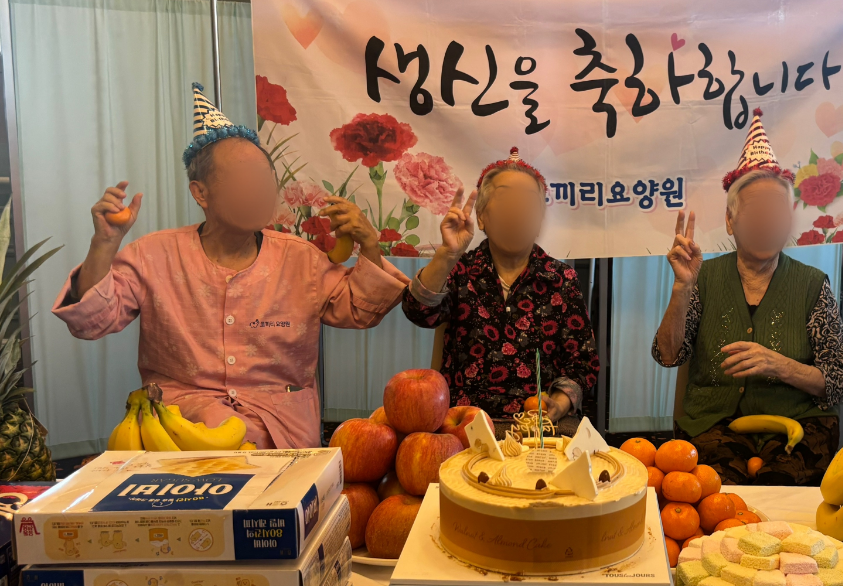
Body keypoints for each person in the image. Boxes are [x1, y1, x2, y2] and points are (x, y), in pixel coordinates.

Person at [53, 83, 410, 448]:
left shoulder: (301, 259)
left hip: (283, 436)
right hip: (181, 434)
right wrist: (104, 244)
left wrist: (369, 245)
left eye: (263, 179)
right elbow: (91, 322)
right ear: (200, 193)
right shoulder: (154, 255)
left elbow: (360, 310)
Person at [652, 108, 843, 486]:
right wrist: (682, 288)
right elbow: (668, 355)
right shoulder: (702, 277)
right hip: (713, 426)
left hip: (799, 427)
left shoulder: (812, 285)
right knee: (716, 493)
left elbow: (840, 381)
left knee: (785, 493)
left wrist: (780, 365)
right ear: (730, 221)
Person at [401, 147, 599, 430]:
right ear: (481, 217)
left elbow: (583, 364)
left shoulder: (561, 278)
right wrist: (447, 254)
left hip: (540, 427)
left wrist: (559, 403)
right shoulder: (460, 270)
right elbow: (418, 312)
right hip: (468, 423)